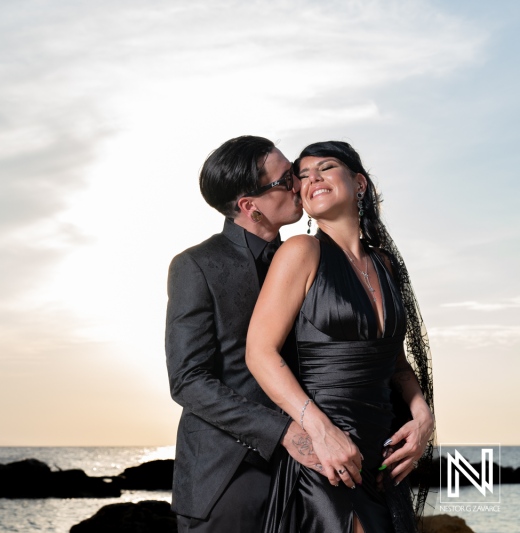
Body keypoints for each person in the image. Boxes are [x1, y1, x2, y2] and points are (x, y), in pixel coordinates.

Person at [245, 141, 435, 533]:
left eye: (326, 167)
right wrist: (321, 432)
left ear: (359, 183)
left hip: (382, 461)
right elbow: (260, 353)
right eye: (303, 175)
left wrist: (421, 414)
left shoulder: (383, 264)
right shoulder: (302, 251)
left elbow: (395, 363)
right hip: (326, 460)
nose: (311, 177)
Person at [166, 135, 321, 532]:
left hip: (313, 469)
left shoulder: (311, 259)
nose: (298, 184)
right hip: (227, 472)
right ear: (250, 207)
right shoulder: (196, 265)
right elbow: (188, 381)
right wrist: (283, 431)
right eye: (285, 179)